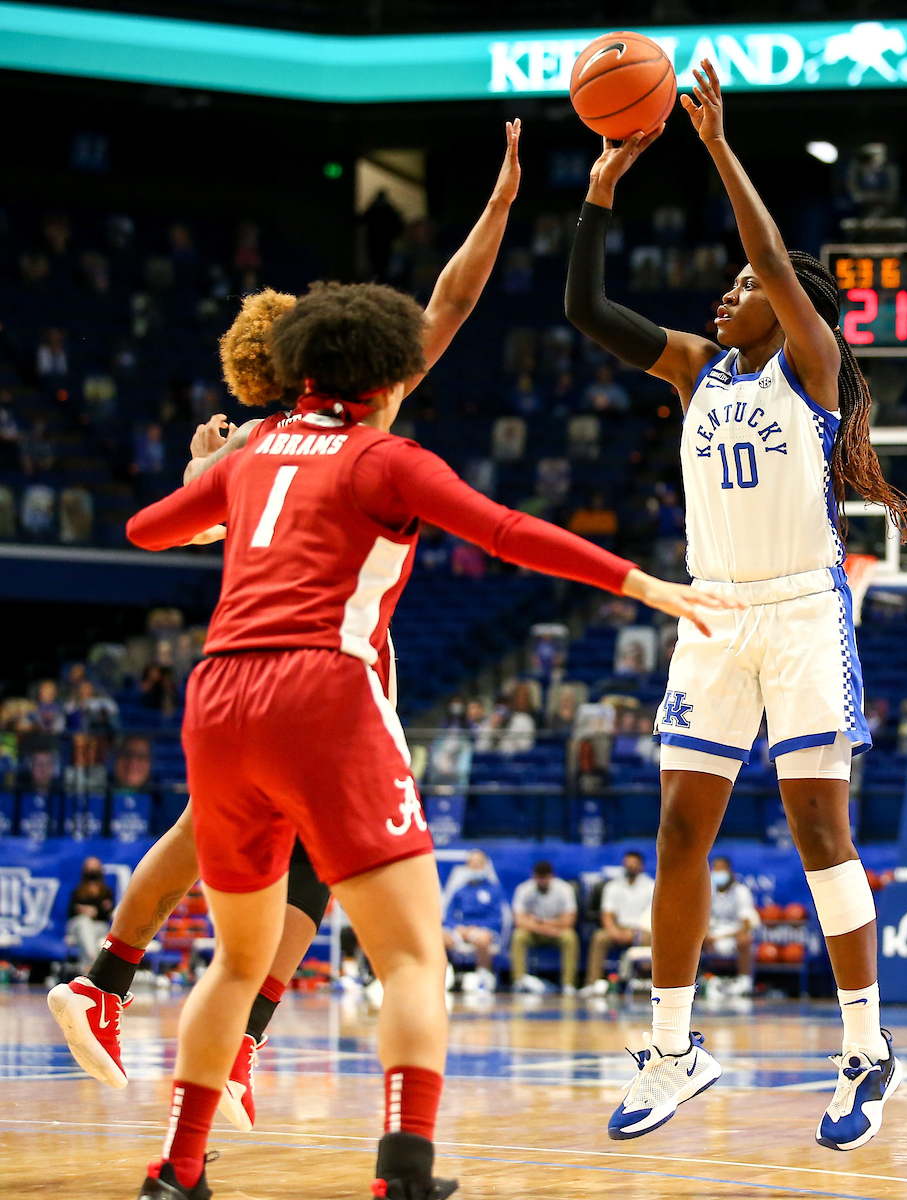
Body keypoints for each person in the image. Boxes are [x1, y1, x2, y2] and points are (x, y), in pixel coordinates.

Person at [124, 275, 732, 1200]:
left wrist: (212, 477)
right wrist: (646, 586)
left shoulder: (251, 457)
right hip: (320, 690)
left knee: (234, 962)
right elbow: (506, 530)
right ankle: (403, 1175)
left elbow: (145, 530)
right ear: (392, 377)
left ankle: (177, 1169)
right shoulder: (383, 459)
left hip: (216, 701)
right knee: (412, 957)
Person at [47, 121, 529, 1134]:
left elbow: (174, 520)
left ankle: (168, 1014)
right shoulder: (357, 424)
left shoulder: (254, 444)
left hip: (240, 667)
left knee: (241, 852)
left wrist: (194, 467)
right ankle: (130, 990)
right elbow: (450, 301)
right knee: (338, 893)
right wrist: (498, 205)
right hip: (318, 668)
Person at [565, 58, 907, 1151]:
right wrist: (601, 188)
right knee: (678, 830)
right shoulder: (696, 370)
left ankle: (866, 1051)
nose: (728, 292)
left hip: (804, 611)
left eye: (746, 287)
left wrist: (715, 146)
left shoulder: (809, 364)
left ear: (793, 303)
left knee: (819, 826)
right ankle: (674, 1049)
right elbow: (585, 307)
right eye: (728, 286)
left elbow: (773, 257)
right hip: (711, 613)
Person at [583, 851, 655, 991]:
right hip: (618, 927)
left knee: (651, 939)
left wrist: (635, 933)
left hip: (642, 929)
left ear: (641, 866)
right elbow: (607, 914)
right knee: (599, 937)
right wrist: (614, 931)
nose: (630, 868)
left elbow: (652, 916)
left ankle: (646, 982)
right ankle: (592, 983)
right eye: (628, 864)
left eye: (634, 865)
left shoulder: (651, 886)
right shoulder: (613, 886)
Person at [511, 861, 580, 995]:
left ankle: (568, 984)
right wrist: (545, 928)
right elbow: (519, 921)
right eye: (539, 878)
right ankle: (519, 981)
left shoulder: (565, 889)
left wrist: (540, 922)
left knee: (570, 937)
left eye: (545, 878)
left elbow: (569, 921)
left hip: (556, 932)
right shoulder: (523, 889)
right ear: (534, 876)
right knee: (518, 936)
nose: (542, 882)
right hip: (534, 933)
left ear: (551, 877)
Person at [442, 850, 505, 991]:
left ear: (484, 866)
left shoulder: (494, 889)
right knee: (440, 938)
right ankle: (445, 974)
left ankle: (482, 975)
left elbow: (498, 918)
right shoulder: (460, 890)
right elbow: (449, 915)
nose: (475, 868)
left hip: (481, 930)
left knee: (483, 940)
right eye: (471, 864)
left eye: (478, 864)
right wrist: (457, 928)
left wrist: (477, 928)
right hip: (461, 930)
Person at [703, 855, 759, 996]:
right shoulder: (705, 891)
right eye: (715, 868)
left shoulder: (741, 891)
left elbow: (746, 924)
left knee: (745, 939)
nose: (717, 872)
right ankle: (698, 980)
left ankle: (744, 980)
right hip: (710, 935)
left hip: (732, 936)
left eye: (721, 869)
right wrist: (705, 935)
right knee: (692, 939)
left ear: (729, 871)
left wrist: (720, 937)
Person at [65, 857, 115, 973]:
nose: (92, 870)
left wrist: (95, 911)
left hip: (98, 926)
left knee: (89, 932)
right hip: (78, 925)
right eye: (89, 867)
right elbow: (70, 911)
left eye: (95, 867)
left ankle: (86, 971)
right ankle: (93, 963)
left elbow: (108, 913)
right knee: (84, 923)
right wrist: (83, 910)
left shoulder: (106, 891)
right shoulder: (78, 890)